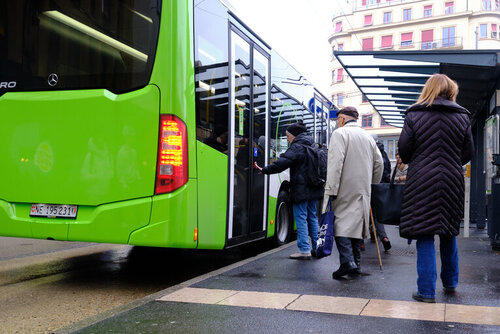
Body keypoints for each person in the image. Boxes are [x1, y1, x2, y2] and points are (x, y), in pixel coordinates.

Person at [398, 74, 474, 303]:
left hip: (421, 179)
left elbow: (405, 149)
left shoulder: (414, 113)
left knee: (424, 234)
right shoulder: (462, 116)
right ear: (451, 90)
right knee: (449, 232)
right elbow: (468, 152)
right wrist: (449, 160)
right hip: (451, 178)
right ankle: (450, 283)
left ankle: (426, 292)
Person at [323, 107, 383, 278]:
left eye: (337, 120)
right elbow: (379, 164)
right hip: (363, 189)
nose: (336, 124)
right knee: (357, 225)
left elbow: (336, 164)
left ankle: (347, 262)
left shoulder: (340, 134)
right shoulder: (368, 137)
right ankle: (356, 263)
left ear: (342, 119)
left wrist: (331, 188)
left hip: (343, 187)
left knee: (340, 223)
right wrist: (372, 185)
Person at [254, 123, 323, 260]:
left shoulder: (297, 146)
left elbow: (282, 163)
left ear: (293, 135)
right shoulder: (313, 145)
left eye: (287, 136)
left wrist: (265, 170)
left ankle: (304, 250)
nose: (287, 139)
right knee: (312, 217)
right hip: (314, 188)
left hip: (302, 189)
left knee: (301, 218)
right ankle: (317, 247)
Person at [369, 134, 392, 252]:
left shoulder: (369, 151)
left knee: (366, 211)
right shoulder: (383, 153)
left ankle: (360, 242)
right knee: (377, 214)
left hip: (370, 185)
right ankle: (383, 237)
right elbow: (388, 170)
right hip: (381, 187)